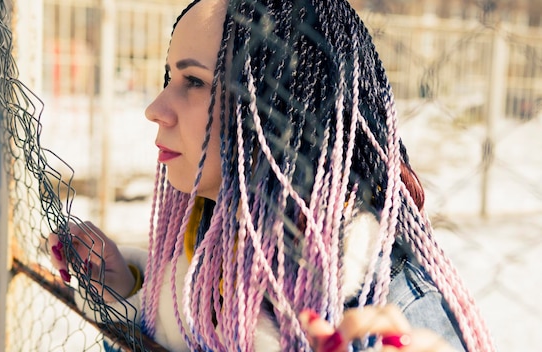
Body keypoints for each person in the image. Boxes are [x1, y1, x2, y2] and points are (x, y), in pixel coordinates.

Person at [49, 0, 495, 351]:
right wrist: (124, 290)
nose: (155, 109)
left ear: (279, 112)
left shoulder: (393, 314)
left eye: (195, 81)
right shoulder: (207, 252)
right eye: (170, 76)